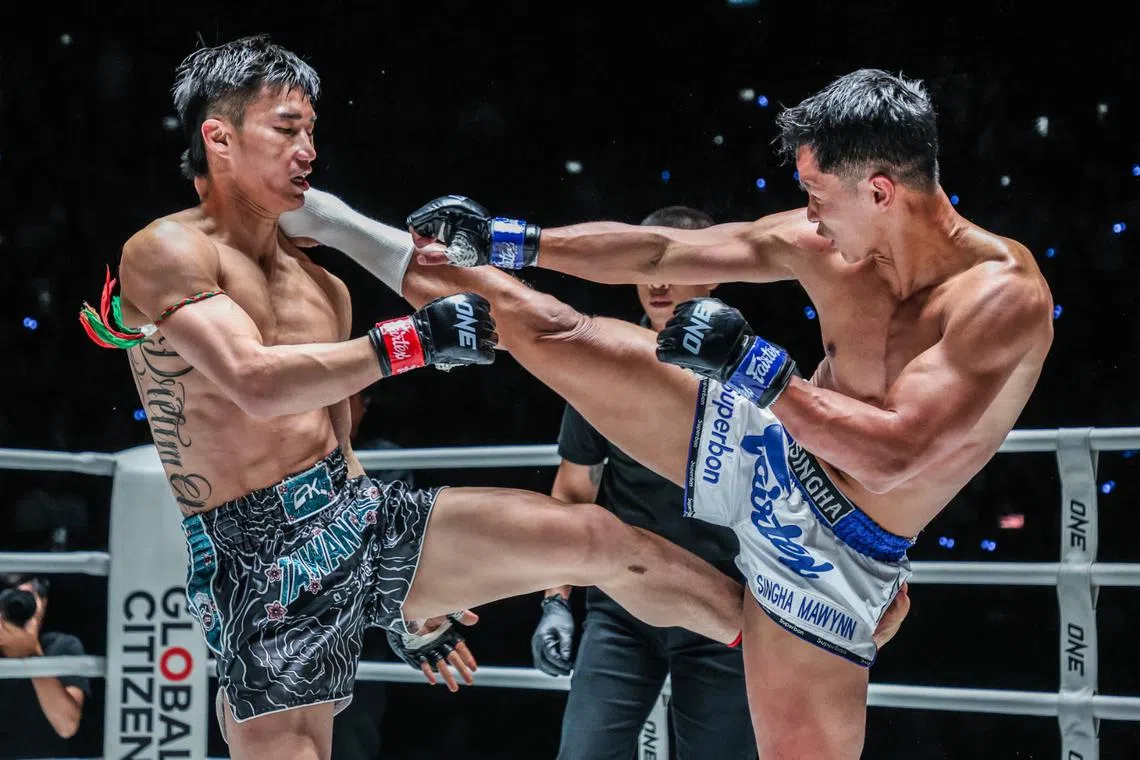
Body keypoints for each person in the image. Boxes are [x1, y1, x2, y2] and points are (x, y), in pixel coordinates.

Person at [285, 67, 1048, 758]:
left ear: (880, 190)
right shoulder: (827, 245)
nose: (810, 222)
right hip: (773, 450)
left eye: (820, 200)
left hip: (837, 551)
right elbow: (659, 254)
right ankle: (339, 224)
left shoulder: (999, 299)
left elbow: (893, 454)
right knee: (555, 332)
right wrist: (514, 241)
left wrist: (760, 371)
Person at [77, 34, 744, 760]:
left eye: (312, 131)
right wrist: (410, 343)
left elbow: (337, 446)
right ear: (220, 138)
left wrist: (405, 606)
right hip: (258, 554)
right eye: (287, 128)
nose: (308, 149)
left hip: (354, 510)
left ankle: (785, 625)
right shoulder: (166, 250)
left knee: (597, 539)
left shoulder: (323, 285)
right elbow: (252, 381)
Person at [531, 205, 756, 759]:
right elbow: (574, 492)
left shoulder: (755, 370)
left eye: (671, 262)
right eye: (644, 263)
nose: (654, 280)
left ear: (713, 269)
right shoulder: (607, 364)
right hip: (623, 601)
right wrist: (555, 600)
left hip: (726, 604)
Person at [0, 575, 91, 759]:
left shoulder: (62, 647)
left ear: (42, 605)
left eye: (23, 599)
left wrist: (32, 655)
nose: (15, 608)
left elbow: (67, 726)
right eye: (8, 600)